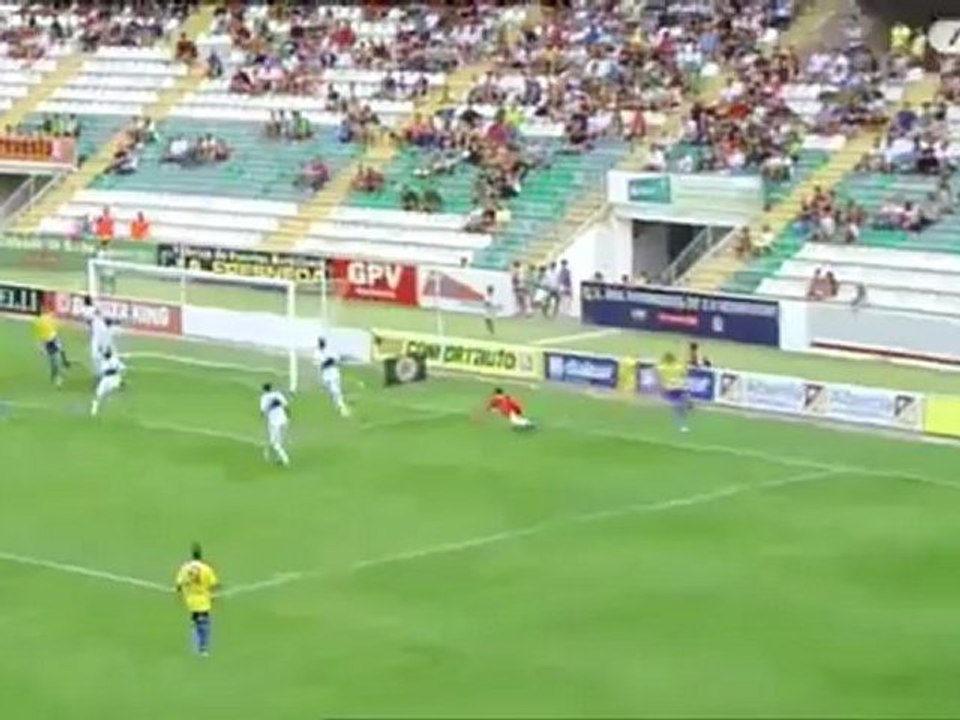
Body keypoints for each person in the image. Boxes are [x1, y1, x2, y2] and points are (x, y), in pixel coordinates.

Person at [174, 542, 219, 657]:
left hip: (191, 600)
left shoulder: (185, 568)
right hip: (203, 600)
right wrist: (214, 597)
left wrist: (179, 594)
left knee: (195, 622)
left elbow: (179, 584)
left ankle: (196, 647)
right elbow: (213, 585)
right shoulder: (206, 568)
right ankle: (203, 648)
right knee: (204, 623)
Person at [313, 337, 350, 418]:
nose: (322, 344)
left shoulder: (330, 350)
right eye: (320, 342)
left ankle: (342, 407)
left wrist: (330, 361)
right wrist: (328, 361)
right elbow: (320, 365)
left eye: (322, 342)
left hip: (334, 373)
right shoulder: (317, 353)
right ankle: (339, 406)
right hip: (325, 374)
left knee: (336, 390)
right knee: (332, 392)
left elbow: (336, 360)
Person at [34, 310, 70, 386]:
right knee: (53, 364)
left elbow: (61, 347)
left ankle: (59, 376)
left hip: (54, 340)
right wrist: (42, 349)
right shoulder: (39, 325)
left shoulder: (48, 321)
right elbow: (39, 340)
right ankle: (54, 375)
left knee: (57, 359)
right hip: (48, 343)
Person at [259, 382, 291, 466]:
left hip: (274, 423)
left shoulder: (264, 398)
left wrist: (263, 416)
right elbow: (286, 406)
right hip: (284, 420)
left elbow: (262, 411)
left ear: (264, 390)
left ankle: (285, 459)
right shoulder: (278, 394)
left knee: (274, 443)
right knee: (280, 441)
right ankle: (279, 459)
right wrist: (289, 417)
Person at [657, 352, 689, 432]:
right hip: (677, 388)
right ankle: (681, 425)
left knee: (677, 407)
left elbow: (659, 376)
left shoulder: (662, 367)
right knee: (679, 408)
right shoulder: (678, 367)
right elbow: (684, 374)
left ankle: (680, 423)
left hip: (670, 389)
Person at [90, 347, 124, 417]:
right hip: (105, 378)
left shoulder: (114, 360)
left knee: (112, 391)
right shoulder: (102, 359)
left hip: (113, 378)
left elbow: (122, 368)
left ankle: (107, 403)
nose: (106, 354)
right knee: (98, 394)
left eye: (107, 353)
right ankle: (94, 409)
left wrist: (120, 378)